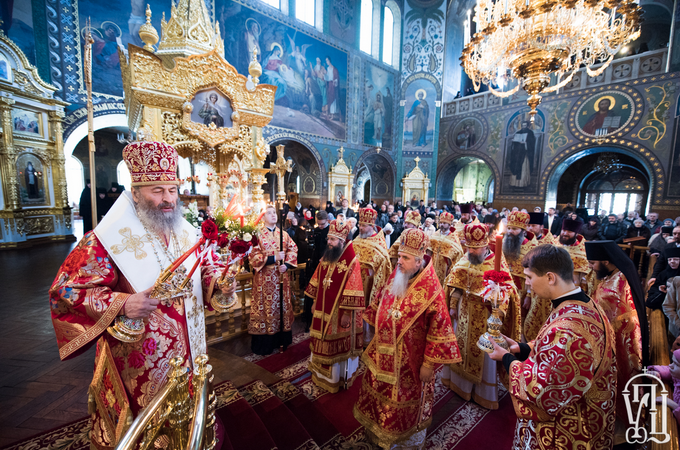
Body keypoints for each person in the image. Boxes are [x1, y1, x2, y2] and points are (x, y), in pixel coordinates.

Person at [49, 141, 234, 448]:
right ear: (135, 192)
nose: (168, 200)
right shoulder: (105, 239)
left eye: (172, 190)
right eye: (157, 190)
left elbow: (202, 269)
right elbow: (65, 292)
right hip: (139, 361)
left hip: (189, 350)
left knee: (189, 416)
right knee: (146, 428)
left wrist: (218, 281)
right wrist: (122, 302)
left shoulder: (184, 230)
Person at [488, 245, 616, 449]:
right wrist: (521, 348)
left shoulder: (569, 329)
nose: (527, 284)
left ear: (550, 277)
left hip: (566, 429)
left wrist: (505, 358)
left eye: (529, 277)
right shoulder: (583, 303)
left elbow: (543, 391)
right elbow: (557, 354)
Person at [354, 228, 461, 448]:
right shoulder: (399, 275)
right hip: (383, 353)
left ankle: (405, 442)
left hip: (410, 364)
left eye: (405, 258)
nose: (398, 262)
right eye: (399, 256)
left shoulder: (432, 289)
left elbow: (439, 331)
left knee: (403, 404)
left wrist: (429, 365)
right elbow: (381, 300)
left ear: (419, 260)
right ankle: (378, 433)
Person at [443, 223, 521, 410]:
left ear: (486, 245)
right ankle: (458, 384)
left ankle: (481, 393)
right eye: (469, 247)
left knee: (484, 353)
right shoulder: (465, 258)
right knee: (460, 348)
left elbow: (509, 291)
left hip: (485, 316)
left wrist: (497, 306)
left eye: (476, 248)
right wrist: (453, 305)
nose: (472, 251)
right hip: (463, 313)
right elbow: (456, 285)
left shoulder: (497, 263)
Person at [586, 240, 648, 442]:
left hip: (621, 342)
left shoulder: (617, 284)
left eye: (594, 263)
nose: (591, 267)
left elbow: (611, 312)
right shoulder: (615, 275)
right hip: (614, 338)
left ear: (606, 260)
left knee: (621, 386)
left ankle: (620, 433)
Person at [305, 220, 364, 392]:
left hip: (339, 314)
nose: (329, 242)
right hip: (322, 308)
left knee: (335, 346)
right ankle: (319, 373)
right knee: (320, 340)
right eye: (328, 239)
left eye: (332, 239)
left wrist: (346, 312)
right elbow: (317, 280)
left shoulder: (352, 263)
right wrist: (315, 301)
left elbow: (353, 290)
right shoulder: (326, 257)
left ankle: (336, 378)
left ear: (342, 241)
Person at [249, 206, 298, 355]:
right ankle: (266, 344)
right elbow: (253, 256)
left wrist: (287, 265)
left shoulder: (283, 234)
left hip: (281, 277)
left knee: (281, 306)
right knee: (266, 307)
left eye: (274, 213)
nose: (273, 215)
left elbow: (293, 249)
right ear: (262, 218)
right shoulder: (257, 235)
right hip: (264, 279)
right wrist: (273, 258)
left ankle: (281, 340)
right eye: (269, 213)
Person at [352, 208, 392, 346]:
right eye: (359, 225)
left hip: (369, 286)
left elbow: (384, 268)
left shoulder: (379, 244)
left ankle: (366, 342)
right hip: (354, 284)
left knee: (365, 315)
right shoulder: (357, 239)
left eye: (363, 226)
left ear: (372, 226)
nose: (360, 228)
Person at [303, 211, 330, 330]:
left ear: (327, 221)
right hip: (313, 265)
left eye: (322, 224)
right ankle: (308, 319)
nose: (320, 226)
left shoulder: (331, 231)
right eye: (318, 224)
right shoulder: (316, 230)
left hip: (326, 266)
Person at [555, 218, 592, 294]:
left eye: (569, 231)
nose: (565, 233)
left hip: (573, 286)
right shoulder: (554, 244)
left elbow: (585, 274)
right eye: (564, 230)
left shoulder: (583, 250)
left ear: (576, 234)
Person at [428, 212, 463, 287]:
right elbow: (429, 249)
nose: (441, 225)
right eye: (440, 223)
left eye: (444, 223)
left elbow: (459, 253)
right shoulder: (435, 235)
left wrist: (451, 268)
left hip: (446, 268)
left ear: (449, 224)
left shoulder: (453, 237)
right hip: (433, 266)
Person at [508, 121, 536, 188]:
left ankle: (522, 183)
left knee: (523, 167)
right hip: (517, 153)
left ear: (527, 126)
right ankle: (514, 183)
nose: (524, 127)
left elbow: (532, 143)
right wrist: (514, 141)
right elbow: (514, 145)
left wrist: (525, 143)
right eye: (523, 125)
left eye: (525, 125)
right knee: (515, 165)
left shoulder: (530, 133)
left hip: (525, 153)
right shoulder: (518, 133)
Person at [663, 250, 680, 336]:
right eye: (670, 260)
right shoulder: (677, 280)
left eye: (675, 259)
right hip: (676, 329)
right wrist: (678, 324)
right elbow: (667, 306)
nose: (672, 262)